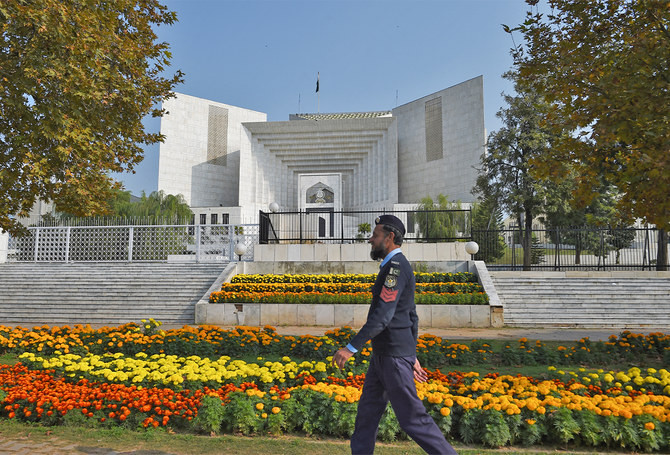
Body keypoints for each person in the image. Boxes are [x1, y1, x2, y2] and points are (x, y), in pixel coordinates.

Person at [332, 214, 458, 455]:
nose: (370, 240)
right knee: (367, 416)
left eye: (375, 235)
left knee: (413, 419)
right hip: (385, 356)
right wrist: (413, 354)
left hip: (393, 358)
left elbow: (382, 316)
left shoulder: (396, 268)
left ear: (389, 238)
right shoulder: (392, 267)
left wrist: (350, 348)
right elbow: (411, 316)